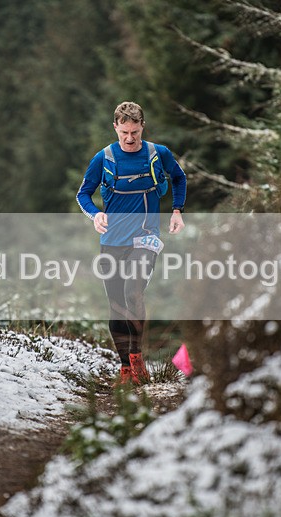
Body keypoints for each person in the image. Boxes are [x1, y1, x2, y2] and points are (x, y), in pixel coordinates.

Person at [76, 101, 187, 385]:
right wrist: (95, 214)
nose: (129, 138)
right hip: (112, 239)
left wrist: (177, 210)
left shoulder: (157, 153)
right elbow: (83, 194)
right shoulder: (103, 158)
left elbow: (178, 177)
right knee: (115, 306)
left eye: (134, 132)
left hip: (145, 237)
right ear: (115, 127)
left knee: (132, 291)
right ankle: (126, 368)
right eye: (124, 132)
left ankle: (137, 357)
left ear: (142, 127)